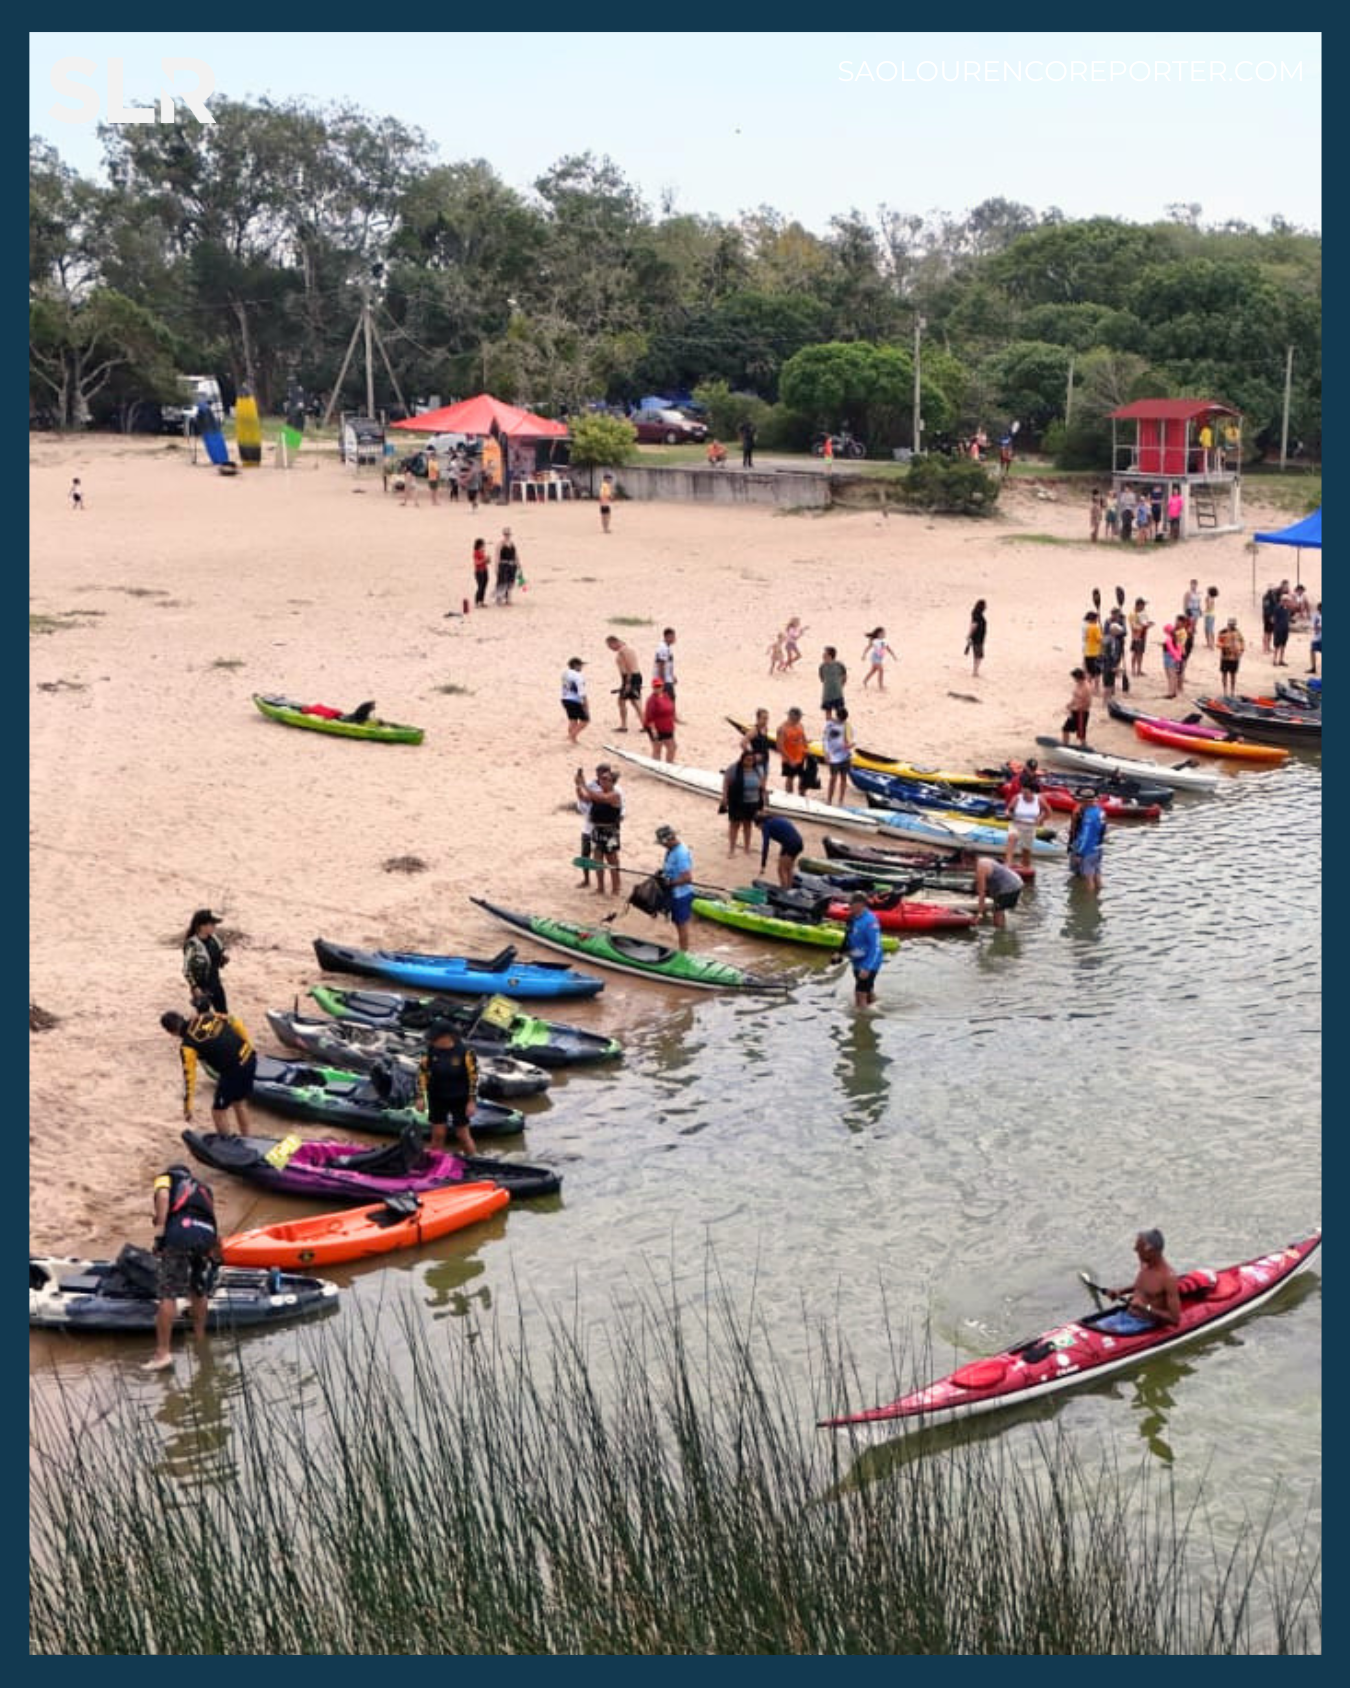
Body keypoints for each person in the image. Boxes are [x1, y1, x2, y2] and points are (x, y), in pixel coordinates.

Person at [142, 1162, 221, 1371]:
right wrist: (215, 1251)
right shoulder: (204, 1188)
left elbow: (163, 1197)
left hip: (181, 1233)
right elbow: (210, 1218)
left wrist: (160, 1232)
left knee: (168, 1293)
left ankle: (162, 1354)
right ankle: (200, 1339)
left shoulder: (166, 1178)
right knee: (198, 1287)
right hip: (206, 1236)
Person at [160, 1002, 257, 1136]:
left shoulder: (187, 1046)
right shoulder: (206, 1016)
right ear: (182, 1018)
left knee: (218, 1112)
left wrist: (188, 1107)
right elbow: (236, 1022)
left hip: (233, 1071)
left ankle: (225, 1143)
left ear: (170, 1032)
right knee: (239, 1102)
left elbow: (189, 1077)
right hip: (249, 1057)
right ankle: (248, 1138)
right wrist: (247, 1046)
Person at [1098, 1229, 1180, 1334]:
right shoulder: (1145, 1265)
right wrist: (1120, 1291)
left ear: (1149, 1250)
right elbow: (1143, 1286)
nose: (1135, 1250)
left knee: (1106, 1333)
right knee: (1096, 1327)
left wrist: (1145, 1307)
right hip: (1125, 1316)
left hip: (1143, 1323)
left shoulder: (1168, 1278)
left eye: (1138, 1248)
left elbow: (1174, 1319)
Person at [416, 1019, 479, 1154]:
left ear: (446, 1037)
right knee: (438, 1134)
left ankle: (474, 1159)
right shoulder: (430, 1050)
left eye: (435, 1038)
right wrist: (420, 1096)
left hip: (459, 1098)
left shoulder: (466, 1052)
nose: (432, 1041)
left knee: (462, 1135)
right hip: (437, 1097)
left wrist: (472, 1101)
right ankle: (434, 1162)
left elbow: (473, 1079)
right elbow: (422, 1073)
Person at [576, 764, 623, 895]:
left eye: (605, 779)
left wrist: (583, 784)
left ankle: (615, 888)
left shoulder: (615, 795)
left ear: (612, 782)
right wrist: (578, 786)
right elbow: (584, 798)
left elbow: (601, 799)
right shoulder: (599, 793)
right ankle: (600, 888)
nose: (601, 781)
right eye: (601, 779)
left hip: (609, 832)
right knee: (597, 860)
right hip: (597, 830)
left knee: (612, 860)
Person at [836, 891, 885, 1008]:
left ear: (860, 904)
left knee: (860, 994)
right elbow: (847, 937)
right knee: (867, 989)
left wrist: (867, 968)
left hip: (870, 961)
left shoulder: (871, 921)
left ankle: (861, 1017)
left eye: (851, 903)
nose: (849, 905)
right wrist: (840, 953)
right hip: (857, 960)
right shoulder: (851, 918)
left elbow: (875, 947)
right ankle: (876, 1007)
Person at [655, 824, 695, 951]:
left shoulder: (680, 854)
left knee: (681, 925)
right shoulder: (671, 850)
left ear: (668, 840)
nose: (663, 845)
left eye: (663, 843)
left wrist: (669, 883)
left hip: (681, 895)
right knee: (677, 923)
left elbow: (687, 878)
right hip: (673, 893)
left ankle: (684, 952)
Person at [722, 747, 767, 855]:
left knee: (748, 825)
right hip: (737, 801)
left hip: (753, 802)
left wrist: (764, 803)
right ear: (742, 759)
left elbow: (762, 788)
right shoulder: (734, 769)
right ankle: (732, 849)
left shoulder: (758, 770)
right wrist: (725, 797)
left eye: (752, 760)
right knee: (735, 825)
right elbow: (726, 783)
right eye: (747, 759)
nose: (750, 762)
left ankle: (747, 848)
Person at [182, 908, 229, 1013]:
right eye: (211, 924)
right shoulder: (192, 944)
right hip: (202, 987)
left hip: (216, 983)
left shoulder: (214, 939)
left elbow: (217, 959)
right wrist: (195, 987)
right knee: (204, 1017)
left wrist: (222, 960)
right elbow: (186, 970)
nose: (214, 927)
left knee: (223, 1014)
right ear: (202, 926)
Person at [1004, 776, 1049, 870]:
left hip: (1030, 827)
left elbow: (1048, 811)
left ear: (1032, 792)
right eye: (1022, 792)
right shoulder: (1017, 798)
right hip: (1016, 824)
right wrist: (1008, 814)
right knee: (1012, 838)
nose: (1024, 795)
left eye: (1026, 793)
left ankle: (1025, 865)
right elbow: (1008, 809)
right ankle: (1008, 863)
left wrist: (1040, 819)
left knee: (1026, 852)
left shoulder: (1039, 799)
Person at [1067, 791, 1107, 896]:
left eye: (1082, 801)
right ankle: (1098, 898)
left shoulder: (1089, 816)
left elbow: (1086, 836)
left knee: (1088, 879)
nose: (1080, 803)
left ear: (1086, 801)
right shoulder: (1100, 811)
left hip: (1088, 850)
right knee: (1097, 874)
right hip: (1098, 847)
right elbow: (1103, 831)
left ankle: (1089, 901)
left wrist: (1079, 853)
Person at [753, 814, 804, 889]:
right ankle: (789, 889)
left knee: (781, 869)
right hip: (798, 842)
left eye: (758, 827)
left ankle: (784, 890)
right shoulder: (775, 819)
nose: (759, 829)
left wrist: (763, 865)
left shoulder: (766, 826)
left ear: (760, 823)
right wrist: (782, 853)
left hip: (791, 844)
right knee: (788, 868)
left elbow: (765, 845)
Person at [973, 857, 1024, 928]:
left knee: (997, 913)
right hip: (1017, 881)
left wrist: (979, 914)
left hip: (1010, 886)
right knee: (999, 909)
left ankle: (1000, 931)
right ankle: (1002, 926)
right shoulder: (984, 860)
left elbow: (982, 893)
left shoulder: (980, 869)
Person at [822, 706, 854, 807]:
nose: (842, 721)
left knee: (843, 778)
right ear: (838, 716)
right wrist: (826, 753)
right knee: (833, 778)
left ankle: (841, 801)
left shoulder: (848, 726)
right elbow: (825, 739)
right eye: (841, 719)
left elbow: (853, 740)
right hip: (833, 756)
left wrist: (850, 745)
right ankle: (829, 800)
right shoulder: (830, 725)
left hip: (845, 756)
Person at [642, 676, 677, 761]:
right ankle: (655, 765)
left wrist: (676, 719)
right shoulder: (651, 700)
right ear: (653, 687)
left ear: (662, 686)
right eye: (656, 686)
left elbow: (671, 708)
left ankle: (669, 764)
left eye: (659, 686)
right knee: (657, 748)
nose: (658, 688)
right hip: (656, 727)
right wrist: (654, 730)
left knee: (672, 747)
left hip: (667, 727)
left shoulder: (666, 695)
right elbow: (649, 717)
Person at [775, 706, 808, 793]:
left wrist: (806, 749)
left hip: (801, 756)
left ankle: (802, 795)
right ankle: (789, 796)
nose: (800, 718)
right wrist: (790, 760)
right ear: (792, 716)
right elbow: (779, 746)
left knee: (803, 777)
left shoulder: (800, 725)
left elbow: (803, 738)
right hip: (789, 758)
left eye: (800, 716)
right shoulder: (782, 729)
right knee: (790, 778)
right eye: (799, 716)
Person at [561, 657, 589, 744]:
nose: (582, 667)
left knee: (573, 720)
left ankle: (573, 739)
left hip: (565, 698)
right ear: (576, 665)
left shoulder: (565, 673)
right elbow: (581, 691)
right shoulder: (578, 676)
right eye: (581, 665)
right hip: (574, 700)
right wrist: (586, 704)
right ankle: (572, 736)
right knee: (585, 720)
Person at [1061, 668, 1092, 748]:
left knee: (1081, 733)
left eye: (1074, 678)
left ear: (1078, 677)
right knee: (1065, 728)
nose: (1074, 680)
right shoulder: (1078, 684)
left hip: (1082, 713)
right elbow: (1075, 697)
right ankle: (1065, 745)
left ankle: (1084, 746)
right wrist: (1070, 704)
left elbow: (1088, 703)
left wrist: (1076, 708)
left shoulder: (1087, 687)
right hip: (1075, 711)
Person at [1100, 609, 1127, 698]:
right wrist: (1112, 666)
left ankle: (1111, 693)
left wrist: (1123, 621)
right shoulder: (1108, 622)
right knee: (1108, 683)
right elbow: (1107, 654)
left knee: (1110, 680)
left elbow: (1124, 632)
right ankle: (1107, 698)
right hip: (1108, 663)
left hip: (1117, 649)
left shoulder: (1121, 621)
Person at [740, 707, 773, 776]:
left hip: (765, 759)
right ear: (758, 719)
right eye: (763, 718)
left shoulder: (765, 729)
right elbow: (743, 743)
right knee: (758, 779)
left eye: (767, 718)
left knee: (764, 780)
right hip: (757, 762)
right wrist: (752, 756)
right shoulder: (754, 731)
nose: (765, 721)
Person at [1217, 616, 1245, 697]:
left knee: (1233, 675)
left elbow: (1242, 641)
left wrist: (1241, 651)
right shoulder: (1223, 632)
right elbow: (1218, 643)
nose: (1232, 626)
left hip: (1235, 657)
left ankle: (1232, 691)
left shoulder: (1238, 632)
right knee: (1224, 674)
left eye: (1233, 625)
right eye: (1231, 624)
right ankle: (1225, 691)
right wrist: (1225, 646)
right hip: (1225, 656)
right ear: (1228, 624)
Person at [819, 646, 847, 718]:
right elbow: (822, 679)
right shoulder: (822, 666)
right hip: (827, 694)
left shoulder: (839, 665)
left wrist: (840, 686)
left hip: (838, 694)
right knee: (828, 712)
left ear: (830, 655)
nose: (823, 656)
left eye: (825, 654)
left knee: (840, 713)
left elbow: (844, 677)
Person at [653, 628, 678, 708]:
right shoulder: (662, 648)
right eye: (673, 636)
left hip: (667, 679)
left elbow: (668, 664)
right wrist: (662, 681)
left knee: (670, 699)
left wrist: (672, 675)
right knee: (669, 700)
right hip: (664, 680)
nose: (674, 638)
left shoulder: (667, 647)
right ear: (668, 636)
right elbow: (661, 665)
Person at [494, 527, 519, 605]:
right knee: (502, 582)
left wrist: (518, 564)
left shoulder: (512, 544)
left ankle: (508, 599)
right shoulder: (500, 544)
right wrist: (496, 567)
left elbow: (516, 555)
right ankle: (499, 599)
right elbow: (497, 556)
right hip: (503, 566)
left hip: (512, 565)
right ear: (503, 534)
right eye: (506, 534)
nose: (507, 535)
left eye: (508, 534)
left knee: (510, 582)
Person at [1161, 623, 1185, 699]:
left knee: (1170, 676)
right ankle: (1174, 692)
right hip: (1175, 658)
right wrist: (1178, 658)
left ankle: (1170, 692)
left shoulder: (1168, 639)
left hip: (1169, 658)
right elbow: (1179, 648)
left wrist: (1176, 657)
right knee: (1174, 676)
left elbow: (1171, 650)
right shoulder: (1175, 638)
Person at [1129, 599, 1152, 677]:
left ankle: (1139, 669)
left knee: (1140, 653)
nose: (1144, 607)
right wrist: (1143, 626)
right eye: (1143, 606)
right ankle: (1133, 670)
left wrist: (1147, 625)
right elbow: (1133, 626)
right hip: (1136, 636)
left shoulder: (1141, 614)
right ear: (1138, 605)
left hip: (1142, 635)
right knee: (1135, 653)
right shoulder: (1133, 614)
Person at [1081, 611, 1103, 693]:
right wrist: (1102, 636)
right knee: (1097, 673)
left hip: (1088, 652)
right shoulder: (1095, 628)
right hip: (1095, 652)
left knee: (1089, 672)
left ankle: (1088, 689)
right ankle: (1096, 689)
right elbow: (1099, 639)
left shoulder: (1087, 627)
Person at [966, 599, 987, 677]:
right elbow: (973, 625)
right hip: (977, 637)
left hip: (978, 637)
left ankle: (975, 671)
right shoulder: (977, 615)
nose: (986, 607)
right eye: (985, 605)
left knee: (977, 655)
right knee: (979, 655)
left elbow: (972, 624)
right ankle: (975, 672)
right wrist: (969, 635)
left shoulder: (976, 614)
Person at [1272, 591, 1292, 666]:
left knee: (1283, 644)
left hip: (1285, 629)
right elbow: (1273, 619)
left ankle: (1281, 660)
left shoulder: (1287, 608)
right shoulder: (1277, 608)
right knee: (1277, 645)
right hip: (1278, 629)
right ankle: (1274, 660)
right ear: (1283, 601)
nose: (1288, 602)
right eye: (1287, 601)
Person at [472, 536, 491, 607]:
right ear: (479, 545)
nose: (484, 546)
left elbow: (485, 562)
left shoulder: (482, 552)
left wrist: (488, 560)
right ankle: (477, 602)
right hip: (479, 572)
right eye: (483, 544)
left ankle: (481, 601)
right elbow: (476, 562)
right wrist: (484, 560)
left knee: (484, 586)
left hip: (485, 570)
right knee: (480, 586)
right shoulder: (476, 552)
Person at [1261, 583, 1279, 654]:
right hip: (1268, 617)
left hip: (1272, 616)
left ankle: (1268, 647)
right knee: (1266, 633)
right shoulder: (1267, 597)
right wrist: (1270, 616)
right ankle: (1265, 648)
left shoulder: (1273, 596)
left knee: (1270, 633)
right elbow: (1266, 608)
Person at [1203, 585, 1219, 650]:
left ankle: (1212, 644)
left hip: (1210, 615)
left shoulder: (1210, 598)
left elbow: (1209, 607)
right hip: (1208, 615)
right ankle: (1208, 643)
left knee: (1210, 630)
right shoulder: (1209, 598)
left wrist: (1204, 611)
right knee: (1207, 629)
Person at [1308, 602, 1321, 675]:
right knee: (1312, 651)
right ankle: (1313, 668)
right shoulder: (1316, 616)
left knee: (1312, 651)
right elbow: (1315, 627)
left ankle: (1313, 668)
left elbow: (1317, 627)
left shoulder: (1317, 616)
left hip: (1318, 637)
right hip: (1317, 638)